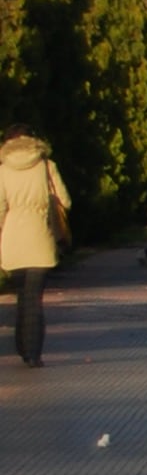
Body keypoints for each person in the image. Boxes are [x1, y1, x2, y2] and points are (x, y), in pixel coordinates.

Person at [0, 125, 71, 366]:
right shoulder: (47, 167)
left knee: (22, 295)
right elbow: (65, 201)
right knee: (34, 298)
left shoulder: (2, 170)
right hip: (40, 236)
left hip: (11, 240)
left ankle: (21, 345)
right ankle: (33, 353)